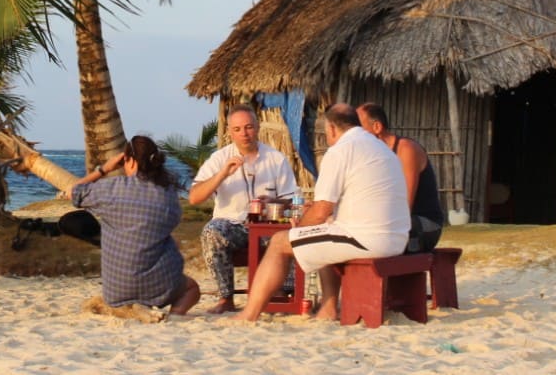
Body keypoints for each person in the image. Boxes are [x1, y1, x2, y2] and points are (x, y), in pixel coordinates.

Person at [234, 103, 408, 322]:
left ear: (332, 128)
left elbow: (321, 209)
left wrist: (298, 228)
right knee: (323, 232)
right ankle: (328, 308)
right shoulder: (381, 149)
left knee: (279, 242)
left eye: (326, 133)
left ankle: (248, 314)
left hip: (368, 239)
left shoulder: (340, 151)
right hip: (397, 239)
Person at [66, 135, 200, 316]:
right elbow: (172, 224)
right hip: (159, 285)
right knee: (192, 289)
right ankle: (175, 315)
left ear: (128, 161)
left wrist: (104, 169)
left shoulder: (111, 188)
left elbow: (73, 192)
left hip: (116, 291)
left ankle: (135, 304)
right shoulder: (167, 194)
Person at [188, 104, 298, 314]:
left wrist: (272, 202)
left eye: (248, 127)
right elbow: (194, 197)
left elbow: (291, 199)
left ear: (257, 128)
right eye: (237, 129)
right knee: (212, 231)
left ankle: (282, 293)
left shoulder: (275, 158)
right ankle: (225, 298)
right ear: (230, 132)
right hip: (233, 226)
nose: (244, 134)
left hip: (267, 226)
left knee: (289, 233)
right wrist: (222, 175)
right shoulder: (220, 158)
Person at [358, 102, 444, 253]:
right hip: (390, 221)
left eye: (358, 128)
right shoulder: (370, 156)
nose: (353, 134)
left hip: (422, 223)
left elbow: (404, 206)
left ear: (377, 127)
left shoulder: (406, 149)